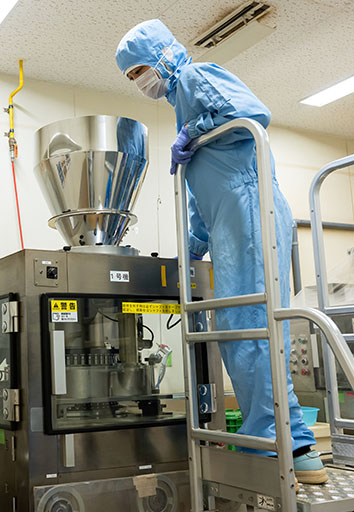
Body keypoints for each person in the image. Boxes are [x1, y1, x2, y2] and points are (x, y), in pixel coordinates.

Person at [116, 19, 327, 484]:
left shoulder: (195, 76)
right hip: (230, 225)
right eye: (131, 77)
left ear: (162, 56)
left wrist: (194, 131)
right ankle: (279, 434)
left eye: (140, 70)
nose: (139, 81)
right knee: (239, 329)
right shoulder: (182, 106)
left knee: (253, 328)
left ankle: (286, 440)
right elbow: (202, 199)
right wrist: (192, 251)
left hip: (251, 213)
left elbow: (252, 113)